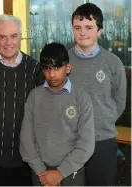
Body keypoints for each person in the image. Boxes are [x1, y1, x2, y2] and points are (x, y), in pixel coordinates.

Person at [0, 14, 44, 186]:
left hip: (26, 159)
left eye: (13, 36)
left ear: (20, 38)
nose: (8, 42)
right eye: (2, 37)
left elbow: (43, 114)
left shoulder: (35, 69)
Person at [20, 42, 95, 186]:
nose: (51, 74)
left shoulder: (81, 98)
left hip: (72, 172)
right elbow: (26, 139)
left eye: (57, 68)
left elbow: (86, 144)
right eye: (47, 69)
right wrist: (41, 171)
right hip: (40, 173)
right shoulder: (34, 97)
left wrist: (61, 173)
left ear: (68, 68)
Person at [68, 3, 127, 186]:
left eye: (89, 27)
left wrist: (103, 120)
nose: (82, 32)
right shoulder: (63, 61)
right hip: (69, 142)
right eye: (77, 28)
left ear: (99, 31)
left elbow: (120, 100)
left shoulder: (113, 62)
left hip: (102, 141)